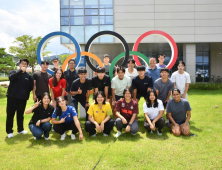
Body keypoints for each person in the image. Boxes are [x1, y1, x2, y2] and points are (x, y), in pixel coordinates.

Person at [6, 58, 34, 138]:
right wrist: (20, 71)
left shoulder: (29, 76)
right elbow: (11, 78)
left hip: (22, 99)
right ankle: (9, 131)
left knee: (20, 115)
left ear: (27, 66)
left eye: (25, 64)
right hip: (12, 97)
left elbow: (31, 87)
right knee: (10, 115)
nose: (24, 65)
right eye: (22, 63)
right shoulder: (14, 72)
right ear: (19, 65)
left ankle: (20, 130)